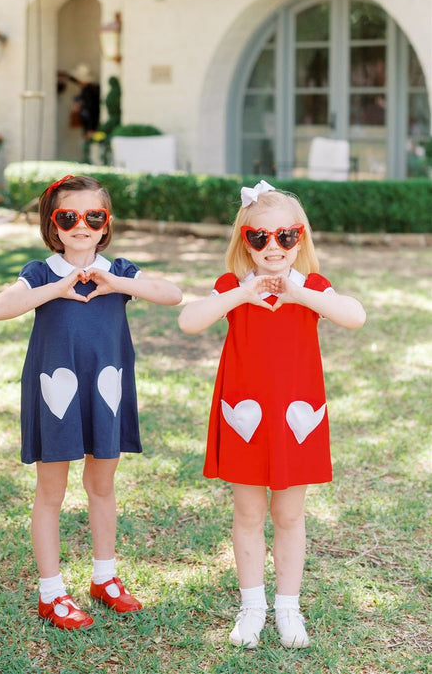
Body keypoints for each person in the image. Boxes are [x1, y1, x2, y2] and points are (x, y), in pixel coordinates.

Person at [178, 180, 365, 650]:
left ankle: (288, 604)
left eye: (286, 235)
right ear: (245, 240)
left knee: (289, 514)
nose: (274, 246)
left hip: (295, 418)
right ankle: (252, 604)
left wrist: (302, 292)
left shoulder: (311, 288)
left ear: (301, 237)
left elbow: (354, 315)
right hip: (246, 417)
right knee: (247, 512)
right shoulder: (233, 288)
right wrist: (241, 294)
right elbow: (189, 319)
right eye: (259, 237)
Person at [0, 174, 182, 630]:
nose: (82, 225)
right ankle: (51, 591)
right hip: (55, 393)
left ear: (105, 223)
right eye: (68, 217)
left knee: (102, 486)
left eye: (93, 216)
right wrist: (56, 289)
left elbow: (173, 295)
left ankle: (105, 577)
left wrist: (116, 282)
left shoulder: (120, 272)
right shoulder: (40, 273)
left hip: (105, 389)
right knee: (51, 492)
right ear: (53, 225)